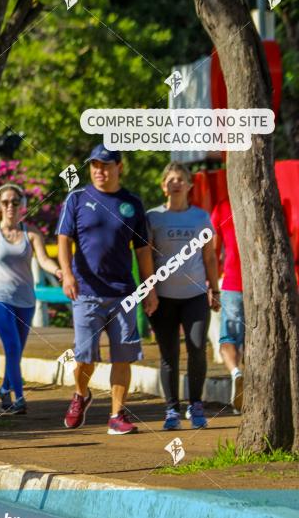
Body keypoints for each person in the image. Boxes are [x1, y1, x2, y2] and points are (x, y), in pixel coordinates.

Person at [57, 145, 158, 435]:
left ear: (119, 167)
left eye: (106, 165)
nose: (100, 171)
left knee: (123, 356)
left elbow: (143, 251)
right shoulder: (76, 199)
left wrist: (149, 288)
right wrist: (67, 274)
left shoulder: (132, 204)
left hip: (124, 292)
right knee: (85, 356)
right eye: (95, 166)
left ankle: (116, 415)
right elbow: (63, 238)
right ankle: (81, 394)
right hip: (86, 292)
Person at [0, 184, 62, 414]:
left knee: (16, 351)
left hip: (25, 300)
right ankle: (20, 397)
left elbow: (43, 260)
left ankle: (5, 389)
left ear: (22, 205)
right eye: (5, 202)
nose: (10, 206)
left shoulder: (31, 233)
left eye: (15, 202)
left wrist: (58, 271)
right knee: (12, 345)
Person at [147, 163, 220, 430]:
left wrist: (215, 288)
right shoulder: (153, 218)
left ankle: (196, 404)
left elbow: (209, 255)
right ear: (163, 185)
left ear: (189, 186)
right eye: (171, 179)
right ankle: (171, 410)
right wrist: (148, 291)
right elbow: (145, 258)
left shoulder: (200, 218)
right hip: (163, 296)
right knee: (169, 354)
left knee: (197, 348)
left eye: (181, 180)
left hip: (195, 295)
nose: (176, 183)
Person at [210, 197, 244, 413]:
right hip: (265, 284)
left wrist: (212, 287)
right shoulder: (272, 200)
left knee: (228, 339)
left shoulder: (222, 207)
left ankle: (235, 373)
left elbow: (213, 252)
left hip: (232, 283)